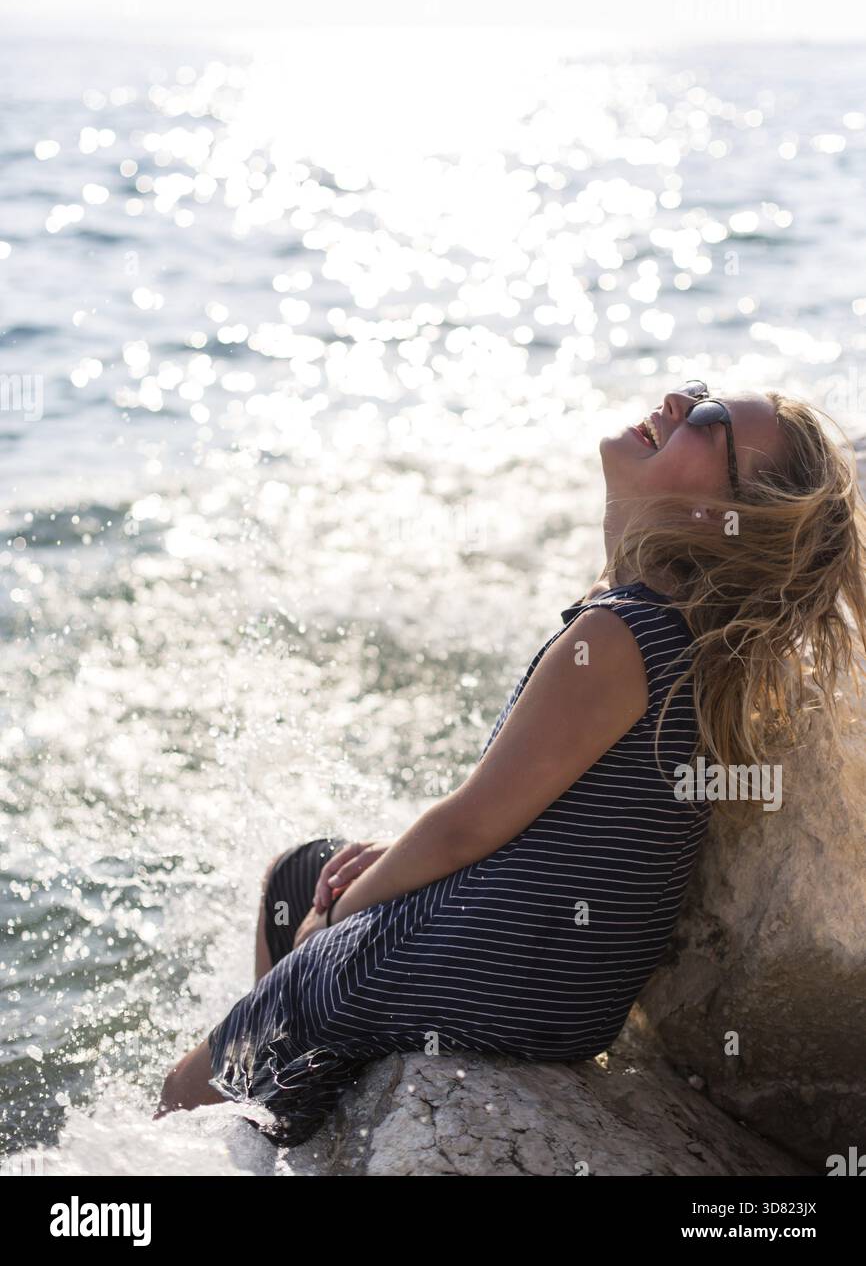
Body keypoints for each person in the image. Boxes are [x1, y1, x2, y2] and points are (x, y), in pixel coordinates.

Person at [154, 380, 866, 1144]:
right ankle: (279, 1105)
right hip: (557, 978)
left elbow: (469, 827)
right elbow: (528, 813)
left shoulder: (623, 636)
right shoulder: (671, 625)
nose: (674, 399)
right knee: (300, 874)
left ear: (720, 517)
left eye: (707, 418)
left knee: (190, 1078)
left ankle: (252, 1098)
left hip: (514, 975)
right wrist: (359, 881)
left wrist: (337, 922)